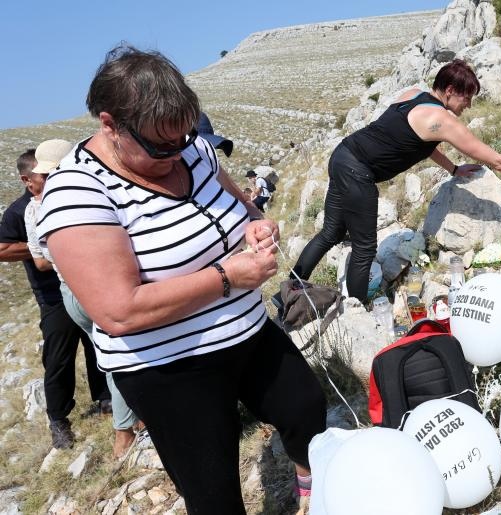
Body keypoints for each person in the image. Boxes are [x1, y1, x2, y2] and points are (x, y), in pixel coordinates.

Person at [36, 45, 326, 514]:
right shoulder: (76, 193)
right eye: (160, 146)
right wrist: (227, 276)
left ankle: (314, 492)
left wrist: (256, 225)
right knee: (214, 496)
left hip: (248, 333)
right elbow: (119, 311)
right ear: (110, 125)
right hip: (168, 368)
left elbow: (241, 207)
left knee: (305, 409)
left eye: (183, 137)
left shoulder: (193, 150)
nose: (176, 155)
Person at [291, 59, 501, 303]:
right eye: (467, 97)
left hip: (342, 155)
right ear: (450, 91)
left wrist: (453, 168)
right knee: (364, 248)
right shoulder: (442, 119)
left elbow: (416, 141)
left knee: (331, 233)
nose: (469, 105)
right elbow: (498, 161)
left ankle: (288, 290)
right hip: (358, 172)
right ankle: (356, 310)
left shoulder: (413, 95)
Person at [24, 139, 145, 459]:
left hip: (70, 291)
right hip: (95, 288)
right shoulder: (75, 199)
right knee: (121, 355)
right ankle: (125, 431)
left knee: (109, 355)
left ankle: (133, 419)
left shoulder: (35, 208)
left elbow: (43, 259)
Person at [0, 146, 110, 449]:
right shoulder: (19, 211)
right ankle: (59, 420)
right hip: (52, 296)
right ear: (27, 180)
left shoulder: (68, 197)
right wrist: (49, 243)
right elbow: (3, 249)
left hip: (87, 285)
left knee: (97, 343)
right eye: (45, 176)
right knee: (59, 357)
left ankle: (106, 399)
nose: (52, 179)